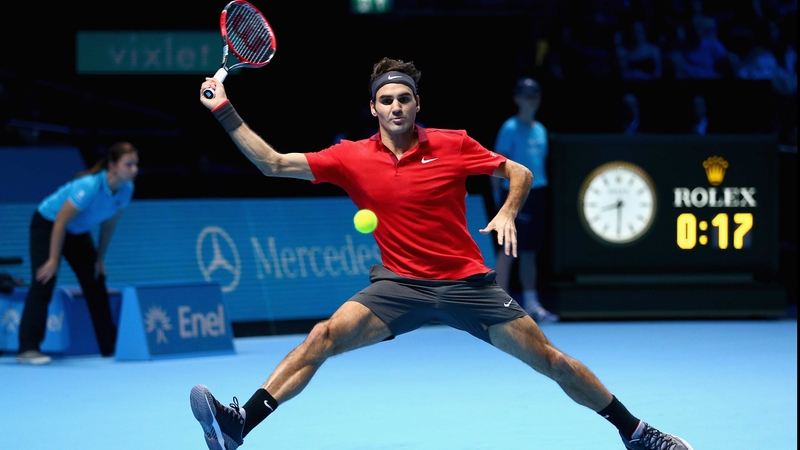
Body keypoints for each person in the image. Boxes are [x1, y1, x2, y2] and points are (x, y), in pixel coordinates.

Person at [190, 57, 694, 450]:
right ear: (373, 107)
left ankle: (636, 432)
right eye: (385, 99)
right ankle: (239, 426)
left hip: (467, 285)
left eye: (403, 99)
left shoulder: (452, 144)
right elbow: (273, 164)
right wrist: (224, 110)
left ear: (416, 104)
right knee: (321, 338)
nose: (395, 107)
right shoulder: (350, 157)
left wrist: (507, 212)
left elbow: (518, 172)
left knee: (553, 362)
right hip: (398, 287)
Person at [16, 142, 139, 365]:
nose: (134, 169)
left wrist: (99, 258)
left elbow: (108, 225)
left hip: (76, 231)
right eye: (128, 164)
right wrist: (53, 260)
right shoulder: (89, 186)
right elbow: (61, 220)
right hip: (48, 224)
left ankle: (109, 347)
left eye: (135, 164)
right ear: (112, 166)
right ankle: (28, 348)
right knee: (44, 279)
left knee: (96, 278)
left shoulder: (127, 190)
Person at [490, 77, 558, 322]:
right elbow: (498, 164)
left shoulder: (540, 130)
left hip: (537, 194)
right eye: (527, 95)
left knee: (530, 252)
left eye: (535, 95)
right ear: (517, 99)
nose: (532, 100)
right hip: (514, 195)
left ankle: (532, 304)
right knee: (507, 248)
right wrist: (500, 200)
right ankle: (501, 302)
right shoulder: (509, 128)